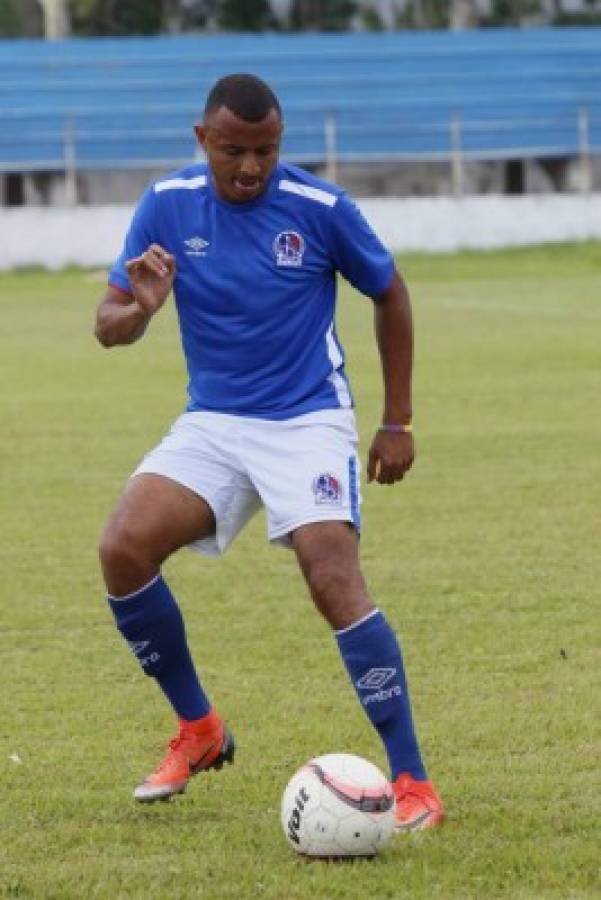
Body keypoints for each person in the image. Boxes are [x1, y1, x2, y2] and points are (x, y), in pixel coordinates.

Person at [95, 73, 444, 831]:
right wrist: (142, 309)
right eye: (233, 151)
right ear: (202, 141)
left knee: (332, 575)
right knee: (123, 549)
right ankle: (200, 730)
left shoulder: (319, 209)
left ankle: (412, 777)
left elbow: (389, 290)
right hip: (214, 421)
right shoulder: (166, 202)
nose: (250, 167)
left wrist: (398, 420)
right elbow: (106, 323)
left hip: (305, 417)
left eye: (265, 150)